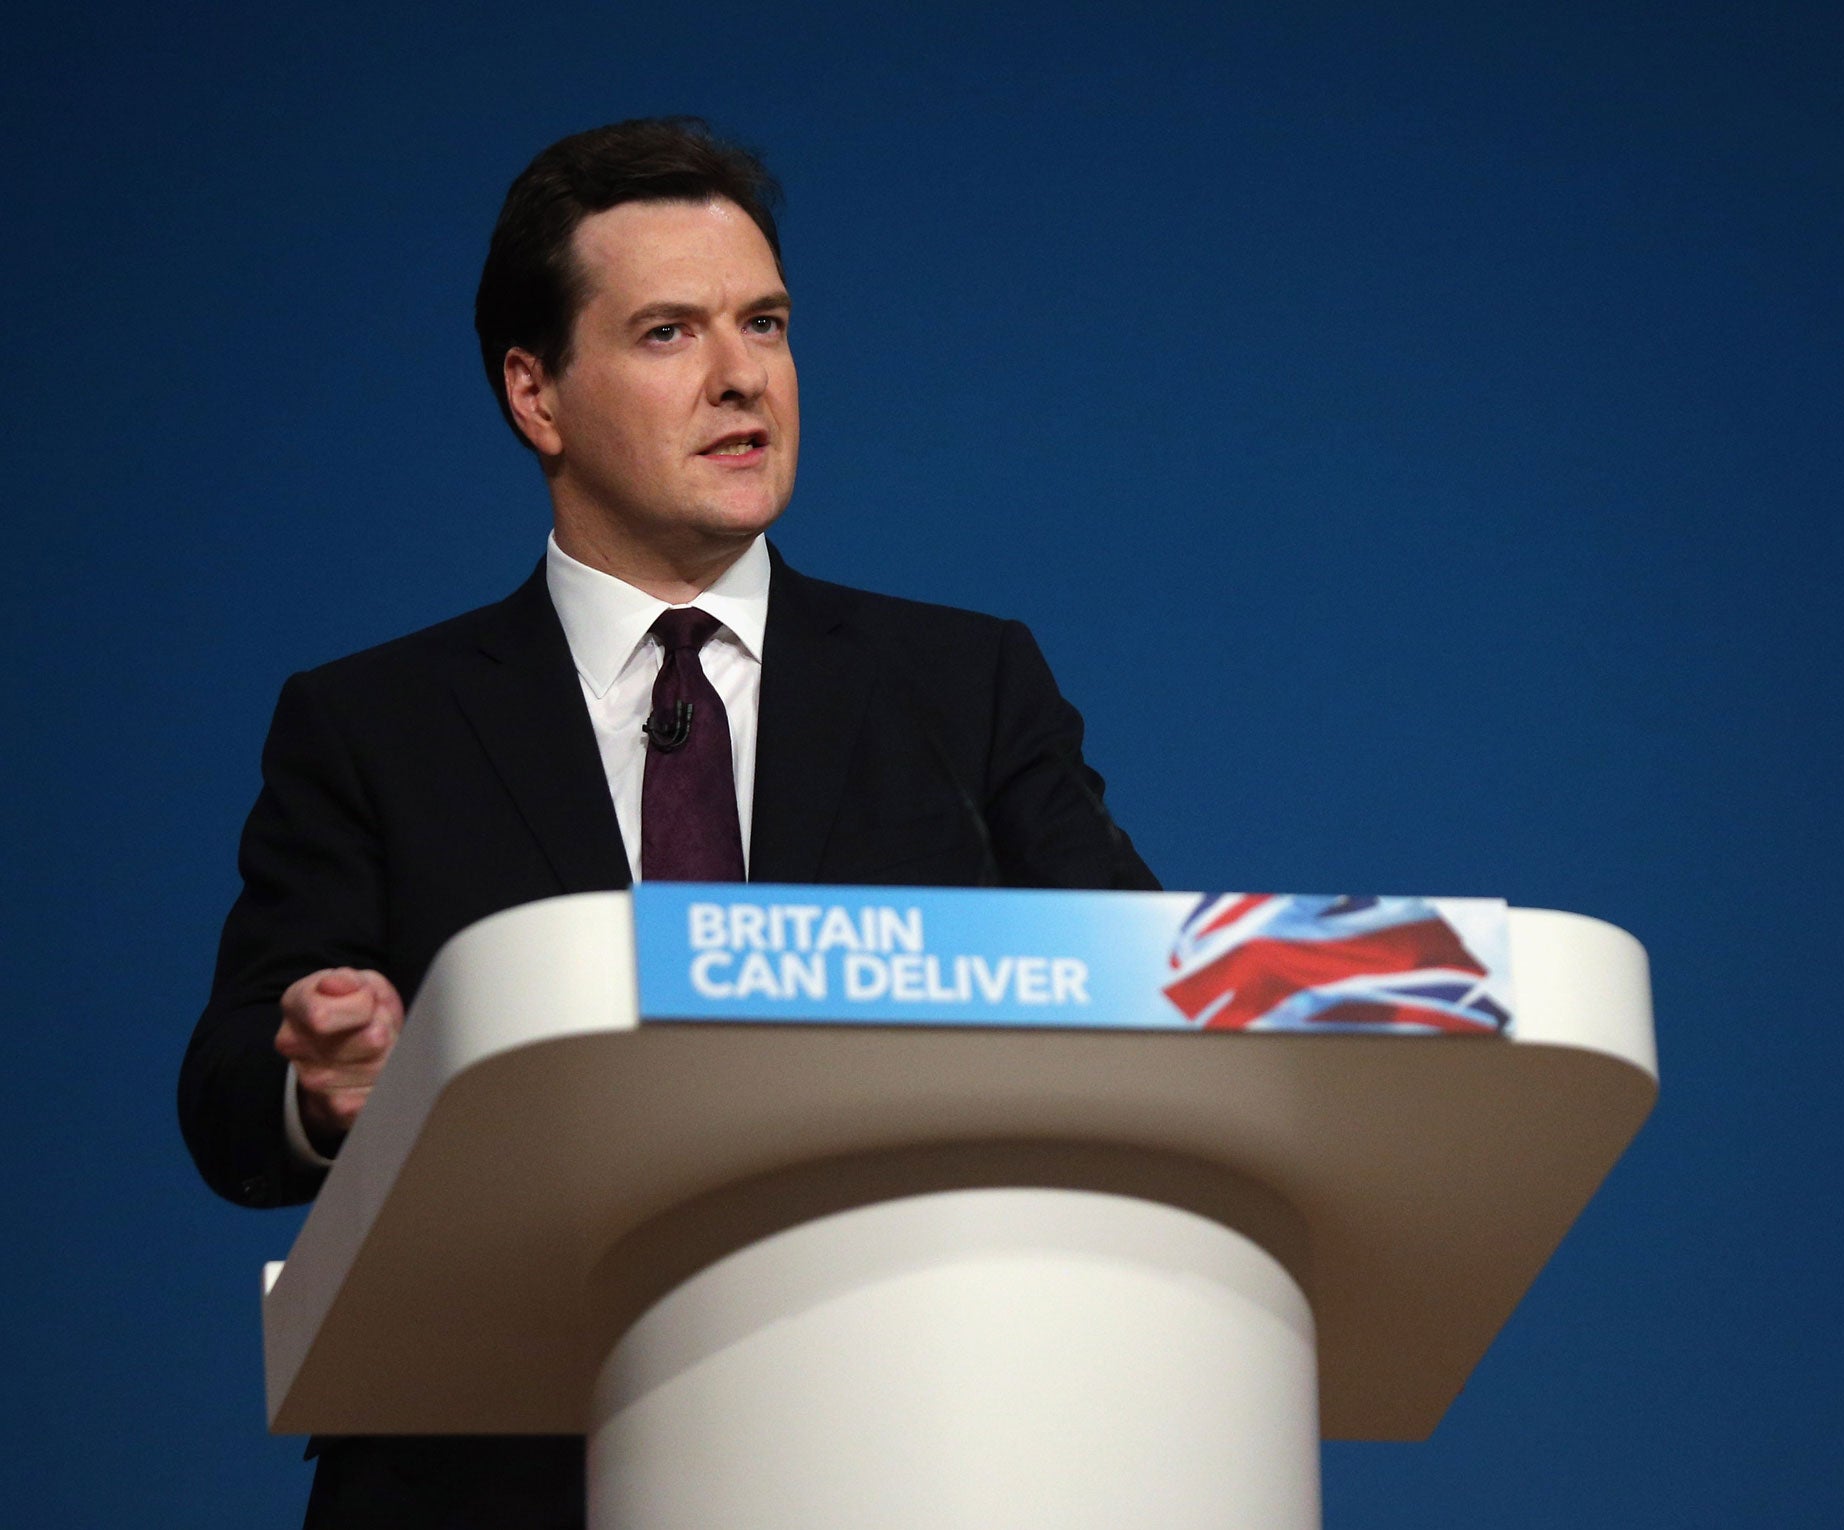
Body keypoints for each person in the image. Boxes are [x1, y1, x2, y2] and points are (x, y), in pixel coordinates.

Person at [178, 117, 1157, 1528]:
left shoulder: (966, 684)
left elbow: (1156, 986)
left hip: (901, 1450)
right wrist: (322, 1088)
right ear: (536, 393)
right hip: (488, 1478)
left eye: (765, 321)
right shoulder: (373, 724)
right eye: (667, 332)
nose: (741, 373)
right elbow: (229, 1085)